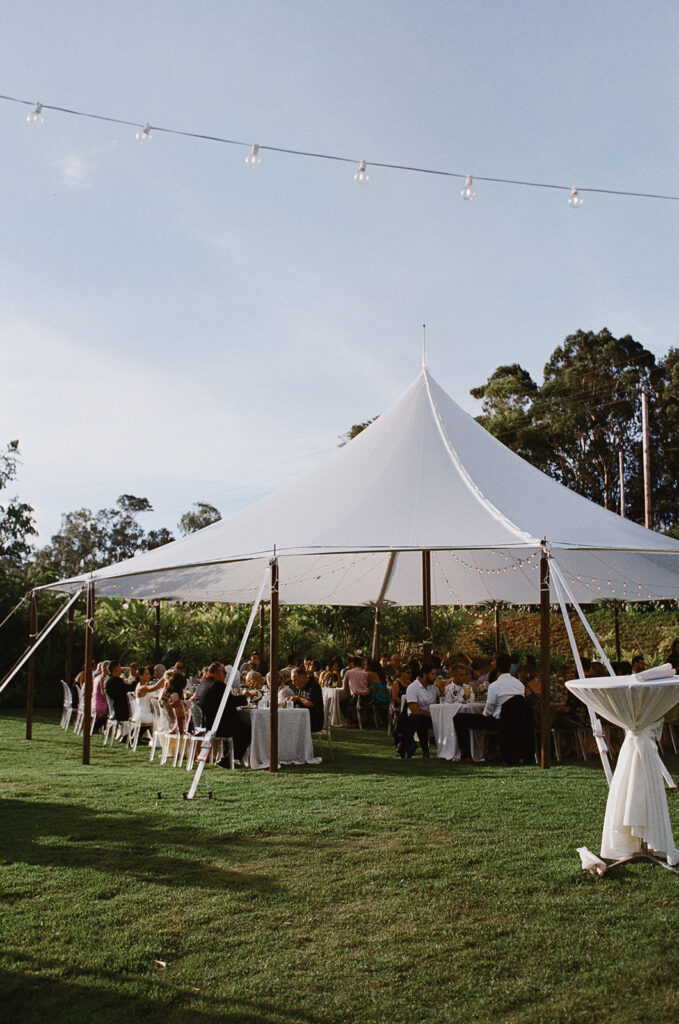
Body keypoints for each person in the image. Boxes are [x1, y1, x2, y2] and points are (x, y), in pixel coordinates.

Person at [453, 653, 523, 757]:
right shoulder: (520, 685)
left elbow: (488, 711)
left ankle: (467, 754)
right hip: (518, 720)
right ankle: (490, 750)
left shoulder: (494, 686)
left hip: (500, 721)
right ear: (510, 667)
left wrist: (485, 714)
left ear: (497, 668)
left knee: (459, 718)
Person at [192, 662, 251, 765]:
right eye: (224, 672)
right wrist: (245, 696)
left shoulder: (202, 684)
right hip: (214, 727)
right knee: (246, 729)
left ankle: (227, 756)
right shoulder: (218, 685)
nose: (225, 675)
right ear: (218, 672)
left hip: (201, 724)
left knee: (235, 724)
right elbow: (231, 702)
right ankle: (230, 760)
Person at [397, 665, 440, 759]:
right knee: (420, 720)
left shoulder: (434, 688)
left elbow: (440, 701)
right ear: (424, 674)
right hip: (415, 716)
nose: (435, 677)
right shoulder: (413, 687)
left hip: (431, 715)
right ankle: (425, 750)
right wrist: (432, 715)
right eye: (432, 674)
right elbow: (415, 710)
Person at [288, 667, 324, 731]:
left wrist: (297, 698)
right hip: (302, 718)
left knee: (288, 725)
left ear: (302, 677)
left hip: (313, 721)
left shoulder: (313, 686)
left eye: (295, 680)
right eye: (292, 680)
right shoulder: (300, 686)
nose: (293, 683)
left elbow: (311, 704)